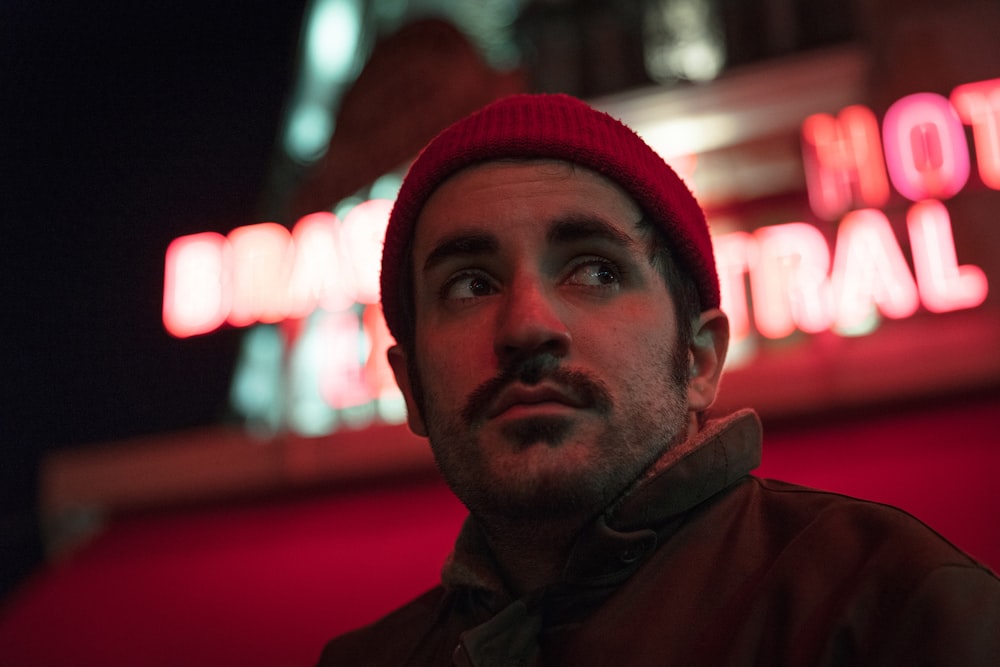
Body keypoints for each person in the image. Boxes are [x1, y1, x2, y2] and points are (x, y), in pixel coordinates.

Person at [316, 93, 1000, 666]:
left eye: (596, 270)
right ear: (411, 387)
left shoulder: (897, 608)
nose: (528, 324)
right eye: (470, 284)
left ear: (699, 359)